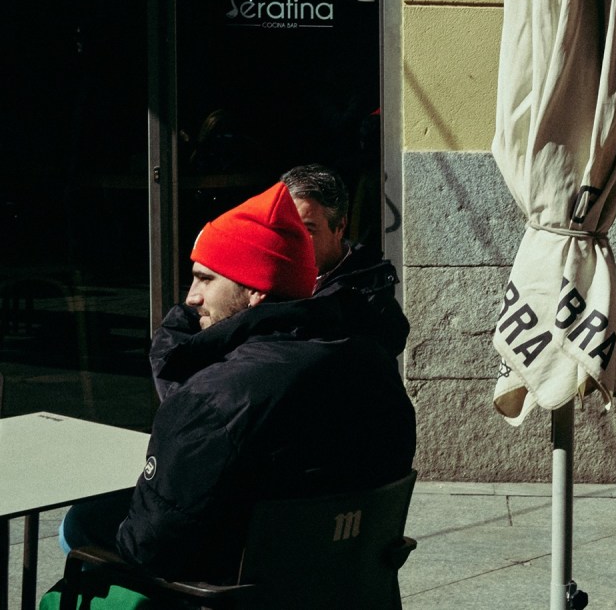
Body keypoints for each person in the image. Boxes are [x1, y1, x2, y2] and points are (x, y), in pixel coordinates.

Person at [70, 183, 416, 583]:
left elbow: (151, 547)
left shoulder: (217, 397)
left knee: (81, 523)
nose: (191, 298)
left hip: (228, 591)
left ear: (254, 289)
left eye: (204, 279)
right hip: (335, 585)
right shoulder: (370, 362)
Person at [281, 162, 410, 354]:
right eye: (286, 227)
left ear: (340, 227)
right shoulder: (264, 277)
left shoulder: (370, 303)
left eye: (308, 229)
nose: (293, 240)